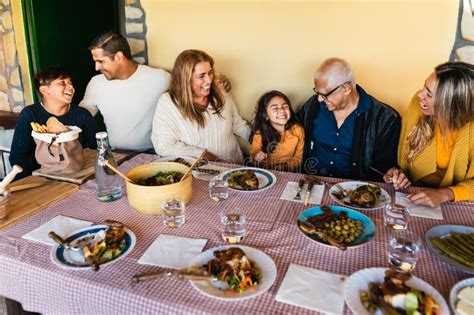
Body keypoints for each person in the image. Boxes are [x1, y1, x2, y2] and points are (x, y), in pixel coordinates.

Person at [384, 61, 474, 207]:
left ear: (451, 105)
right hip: (411, 195)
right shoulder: (417, 105)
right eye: (424, 86)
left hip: (456, 203)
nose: (420, 95)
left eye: (429, 94)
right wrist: (396, 173)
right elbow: (402, 156)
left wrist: (447, 193)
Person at [297, 58, 401, 180]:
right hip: (311, 183)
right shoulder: (313, 106)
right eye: (317, 93)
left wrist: (391, 174)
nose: (319, 99)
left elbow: (384, 167)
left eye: (324, 95)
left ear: (346, 88)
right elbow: (292, 133)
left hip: (354, 192)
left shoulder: (385, 118)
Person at [151, 49, 250, 163]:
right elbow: (163, 146)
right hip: (198, 171)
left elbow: (236, 123)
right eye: (201, 76)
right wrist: (203, 154)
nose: (209, 80)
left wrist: (257, 139)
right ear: (185, 79)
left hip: (233, 165)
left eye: (210, 73)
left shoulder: (220, 91)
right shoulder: (168, 103)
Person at [80, 31, 170, 152]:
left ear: (118, 57)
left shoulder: (161, 78)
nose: (96, 68)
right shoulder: (96, 83)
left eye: (101, 61)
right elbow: (82, 115)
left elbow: (185, 104)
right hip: (116, 154)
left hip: (153, 153)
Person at [10, 66, 99, 180]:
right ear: (45, 90)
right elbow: (18, 157)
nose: (70, 87)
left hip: (75, 176)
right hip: (40, 178)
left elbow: (98, 148)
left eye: (70, 82)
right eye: (62, 83)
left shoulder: (82, 115)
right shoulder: (29, 115)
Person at [249, 90, 304, 171]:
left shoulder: (298, 130)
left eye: (285, 106)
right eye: (275, 108)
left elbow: (298, 158)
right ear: (266, 115)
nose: (282, 110)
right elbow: (252, 160)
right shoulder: (260, 134)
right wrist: (257, 158)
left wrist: (285, 167)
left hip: (288, 172)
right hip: (265, 173)